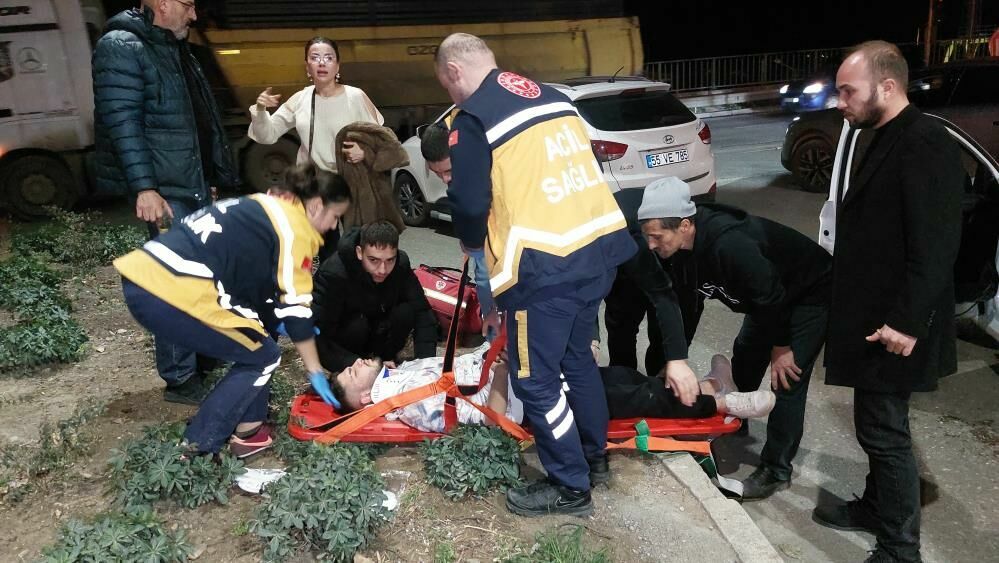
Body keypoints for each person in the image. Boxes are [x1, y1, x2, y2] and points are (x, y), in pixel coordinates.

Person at [435, 33, 637, 517]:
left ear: (455, 72)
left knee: (536, 382)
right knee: (579, 364)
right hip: (596, 250)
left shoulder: (474, 118)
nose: (450, 95)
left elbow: (468, 202)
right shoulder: (551, 96)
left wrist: (469, 240)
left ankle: (570, 486)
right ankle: (593, 458)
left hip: (542, 267)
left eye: (445, 84)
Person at [811, 41, 963, 563]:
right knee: (874, 424)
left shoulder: (925, 143)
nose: (839, 101)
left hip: (896, 326)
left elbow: (936, 246)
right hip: (872, 317)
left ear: (888, 87)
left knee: (884, 432)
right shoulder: (878, 134)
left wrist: (906, 322)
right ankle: (877, 507)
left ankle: (901, 548)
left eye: (847, 91)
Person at [113, 163, 351, 459]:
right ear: (316, 206)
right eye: (335, 217)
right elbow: (296, 309)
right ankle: (196, 448)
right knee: (263, 357)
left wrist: (275, 321)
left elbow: (252, 281)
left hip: (145, 277)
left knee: (257, 339)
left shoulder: (264, 205)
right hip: (174, 290)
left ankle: (250, 432)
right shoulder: (295, 230)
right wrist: (315, 369)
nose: (332, 227)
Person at [638, 176, 832, 501]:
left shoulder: (730, 245)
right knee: (745, 353)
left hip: (807, 293)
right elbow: (687, 306)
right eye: (648, 237)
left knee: (786, 378)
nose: (652, 245)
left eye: (657, 237)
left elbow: (772, 298)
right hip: (767, 298)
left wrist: (782, 348)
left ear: (685, 225)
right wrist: (676, 360)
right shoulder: (679, 253)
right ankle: (736, 419)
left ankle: (776, 470)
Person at [93, 0, 239, 405]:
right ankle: (180, 379)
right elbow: (122, 121)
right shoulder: (123, 46)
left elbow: (197, 120)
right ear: (161, 2)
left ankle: (204, 357)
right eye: (189, 5)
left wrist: (209, 178)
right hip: (164, 192)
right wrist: (145, 188)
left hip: (189, 185)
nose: (195, 15)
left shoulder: (174, 48)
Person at [330, 349, 775, 435]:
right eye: (349, 377)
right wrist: (502, 374)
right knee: (631, 399)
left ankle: (714, 383)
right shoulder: (408, 406)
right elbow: (489, 419)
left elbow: (463, 363)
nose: (352, 366)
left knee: (621, 377)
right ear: (366, 400)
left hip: (529, 369)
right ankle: (725, 400)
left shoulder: (405, 372)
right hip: (527, 396)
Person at [249, 37, 406, 242]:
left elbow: (383, 140)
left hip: (353, 185)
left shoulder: (355, 96)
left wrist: (364, 152)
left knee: (356, 245)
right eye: (315, 58)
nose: (321, 63)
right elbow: (267, 135)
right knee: (325, 251)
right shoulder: (300, 99)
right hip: (318, 188)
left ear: (337, 66)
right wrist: (260, 110)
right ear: (307, 66)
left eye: (328, 58)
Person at [311, 220, 438, 373]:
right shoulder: (333, 273)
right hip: (348, 339)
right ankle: (365, 367)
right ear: (359, 252)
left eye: (390, 260)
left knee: (406, 311)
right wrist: (357, 364)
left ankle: (387, 360)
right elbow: (319, 334)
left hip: (379, 331)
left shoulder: (401, 265)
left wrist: (427, 364)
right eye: (374, 260)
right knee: (357, 325)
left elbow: (422, 311)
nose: (382, 270)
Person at [419, 123, 496, 335]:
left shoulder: (495, 173)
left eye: (449, 170)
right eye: (437, 173)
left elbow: (483, 269)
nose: (445, 179)